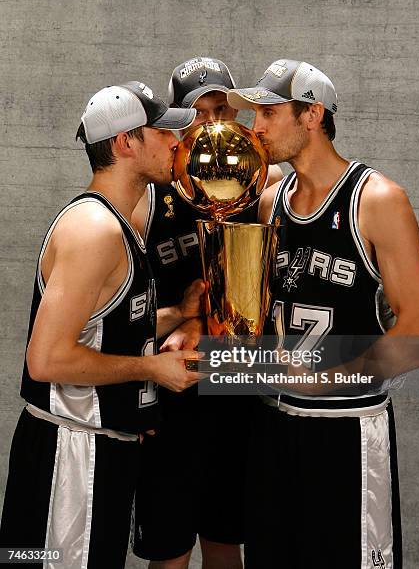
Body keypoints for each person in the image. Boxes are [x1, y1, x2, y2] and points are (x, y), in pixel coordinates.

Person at [227, 59, 419, 568]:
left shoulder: (377, 199)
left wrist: (332, 377)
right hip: (274, 427)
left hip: (345, 430)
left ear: (312, 115)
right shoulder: (270, 203)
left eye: (268, 113)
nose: (255, 127)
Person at [0, 81, 204, 569]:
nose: (177, 142)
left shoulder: (120, 224)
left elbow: (102, 330)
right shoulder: (94, 229)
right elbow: (47, 359)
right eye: (162, 133)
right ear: (124, 143)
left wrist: (178, 314)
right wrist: (153, 371)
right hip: (69, 458)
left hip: (99, 449)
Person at [132, 57, 282, 569]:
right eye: (201, 114)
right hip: (172, 392)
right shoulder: (148, 193)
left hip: (235, 386)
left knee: (225, 541)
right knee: (170, 548)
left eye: (224, 110)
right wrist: (184, 318)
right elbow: (119, 306)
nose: (215, 123)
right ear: (177, 124)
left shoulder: (258, 184)